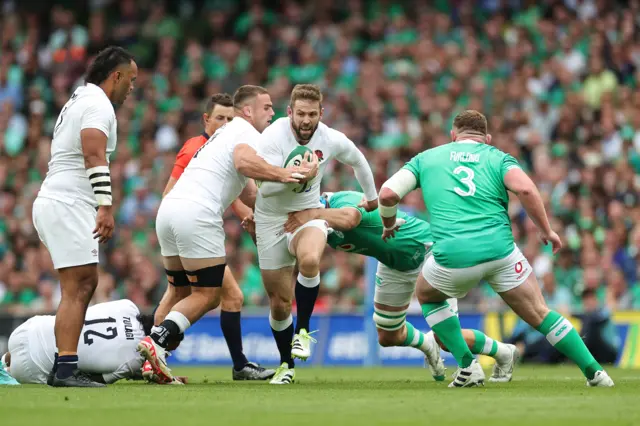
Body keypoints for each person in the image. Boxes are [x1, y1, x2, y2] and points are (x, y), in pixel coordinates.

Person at [378, 110, 614, 388]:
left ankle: (467, 366)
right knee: (540, 313)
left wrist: (389, 223)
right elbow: (526, 189)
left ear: (453, 136)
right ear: (486, 138)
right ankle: (596, 374)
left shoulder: (426, 158)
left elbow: (387, 194)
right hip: (501, 252)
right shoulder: (498, 157)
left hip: (453, 257)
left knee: (427, 295)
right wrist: (546, 229)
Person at [140, 85, 318, 384]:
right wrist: (287, 174)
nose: (272, 113)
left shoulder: (224, 134)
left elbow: (250, 193)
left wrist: (292, 209)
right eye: (267, 107)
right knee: (208, 296)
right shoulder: (246, 132)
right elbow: (244, 163)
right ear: (247, 111)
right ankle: (156, 340)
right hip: (197, 215)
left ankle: (151, 365)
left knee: (183, 292)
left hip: (169, 211)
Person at [280, 191, 518, 383]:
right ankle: (427, 345)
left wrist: (311, 214)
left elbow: (351, 218)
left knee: (446, 338)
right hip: (394, 265)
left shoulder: (339, 200)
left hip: (429, 250)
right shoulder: (314, 230)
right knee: (387, 336)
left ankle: (502, 353)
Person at [254, 84, 378, 384]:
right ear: (289, 113)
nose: (306, 120)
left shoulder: (330, 138)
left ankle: (304, 331)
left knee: (310, 260)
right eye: (300, 114)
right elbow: (264, 188)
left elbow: (358, 159)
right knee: (279, 303)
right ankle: (287, 366)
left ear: (321, 113)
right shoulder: (272, 137)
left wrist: (372, 197)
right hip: (271, 220)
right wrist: (300, 175)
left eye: (312, 114)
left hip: (309, 214)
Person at [31, 46, 138, 387]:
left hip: (59, 200)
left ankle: (63, 364)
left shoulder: (81, 97)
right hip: (67, 202)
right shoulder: (96, 104)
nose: (132, 88)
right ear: (115, 76)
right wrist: (105, 206)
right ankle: (65, 369)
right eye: (130, 80)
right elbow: (93, 153)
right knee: (79, 286)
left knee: (82, 284)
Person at [157, 92, 274, 381]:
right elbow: (207, 185)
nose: (225, 123)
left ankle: (239, 364)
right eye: (220, 118)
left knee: (230, 295)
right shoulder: (200, 145)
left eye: (229, 118)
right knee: (198, 295)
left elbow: (241, 191)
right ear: (207, 120)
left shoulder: (220, 144)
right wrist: (285, 175)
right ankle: (155, 345)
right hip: (192, 221)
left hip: (176, 218)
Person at [0, 300, 184, 385]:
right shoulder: (133, 361)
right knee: (78, 373)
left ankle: (4, 361)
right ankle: (7, 371)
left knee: (46, 335)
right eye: (167, 350)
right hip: (31, 368)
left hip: (26, 329)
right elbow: (92, 378)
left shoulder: (127, 305)